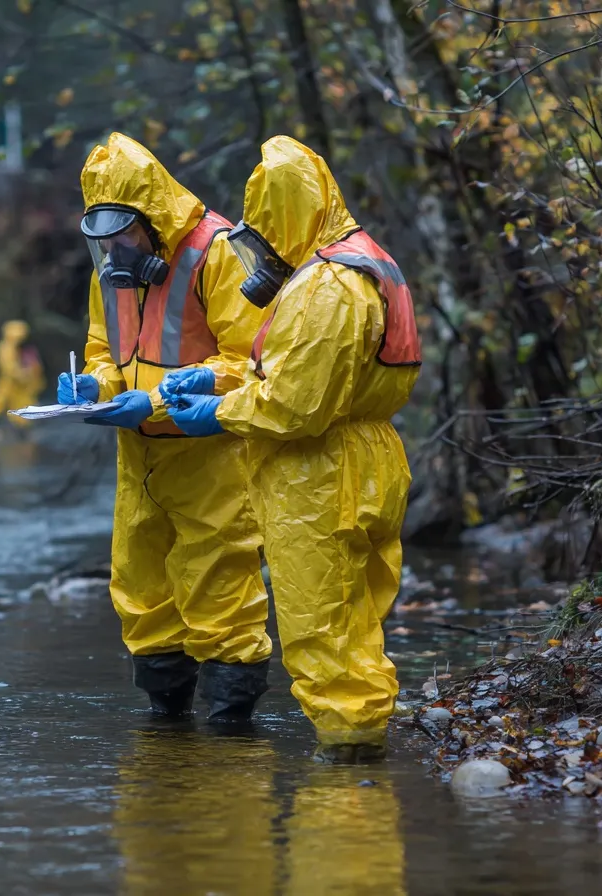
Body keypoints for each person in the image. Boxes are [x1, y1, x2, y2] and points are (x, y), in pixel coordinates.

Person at [160, 136, 421, 761]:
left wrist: (217, 412)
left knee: (321, 627)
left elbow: (297, 406)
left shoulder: (324, 286)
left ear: (282, 217)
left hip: (319, 475)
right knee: (356, 622)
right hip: (365, 459)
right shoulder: (360, 262)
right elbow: (316, 375)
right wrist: (219, 376)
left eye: (264, 233)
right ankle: (365, 760)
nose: (263, 252)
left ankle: (346, 777)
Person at [57, 132, 272, 723]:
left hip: (211, 453)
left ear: (152, 220)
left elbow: (250, 359)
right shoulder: (110, 267)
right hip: (139, 458)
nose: (114, 249)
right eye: (102, 238)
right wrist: (94, 388)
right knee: (141, 586)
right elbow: (103, 349)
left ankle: (232, 726)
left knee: (220, 582)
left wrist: (152, 400)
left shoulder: (217, 252)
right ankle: (165, 719)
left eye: (124, 234)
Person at [0, 319, 44, 429]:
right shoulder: (6, 348)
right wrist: (22, 375)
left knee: (23, 405)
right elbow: (9, 368)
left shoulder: (23, 348)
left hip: (23, 386)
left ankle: (21, 426)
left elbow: (35, 367)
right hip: (9, 382)